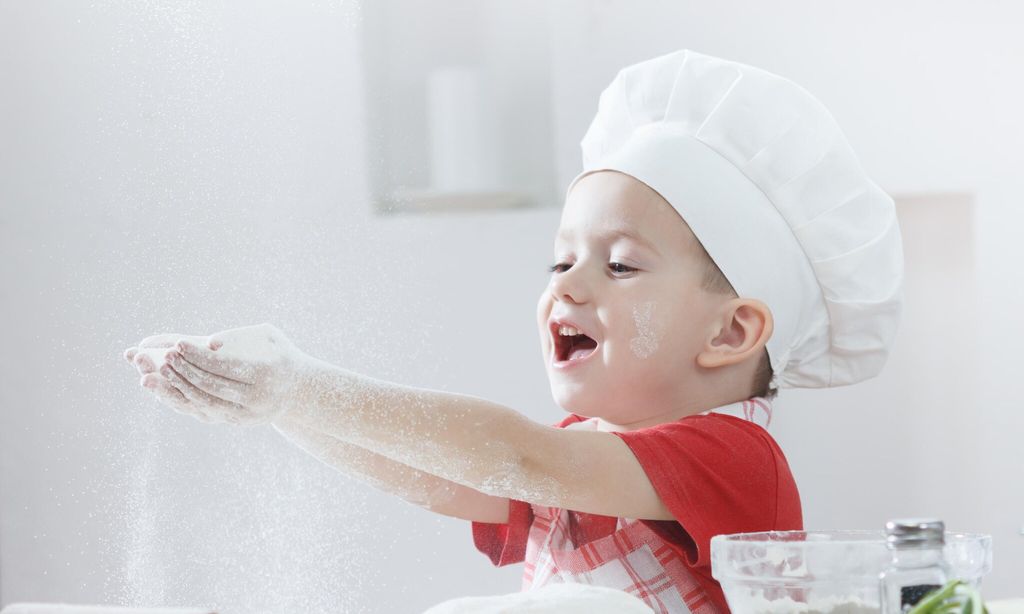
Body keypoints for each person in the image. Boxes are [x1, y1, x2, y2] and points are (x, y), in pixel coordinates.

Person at [124, 49, 904, 613]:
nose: (566, 284)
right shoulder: (580, 461)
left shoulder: (734, 455)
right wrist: (276, 405)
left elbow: (515, 457)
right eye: (561, 260)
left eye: (621, 266)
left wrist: (304, 382)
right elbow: (430, 472)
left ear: (731, 332)